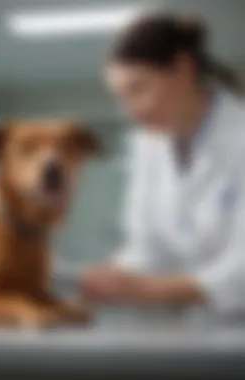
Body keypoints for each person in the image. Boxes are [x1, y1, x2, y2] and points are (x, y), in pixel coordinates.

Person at [80, 12, 245, 315]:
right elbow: (146, 246)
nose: (130, 111)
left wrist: (147, 289)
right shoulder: (148, 146)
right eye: (121, 97)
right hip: (199, 330)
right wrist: (114, 277)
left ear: (183, 69)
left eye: (138, 89)